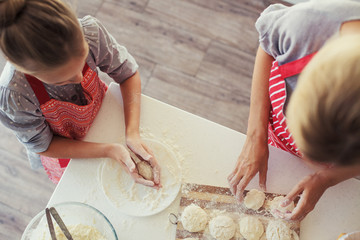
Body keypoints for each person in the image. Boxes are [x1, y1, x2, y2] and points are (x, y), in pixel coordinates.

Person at [0, 0, 161, 187]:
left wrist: (132, 133)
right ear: (27, 71)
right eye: (62, 81)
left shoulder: (91, 33)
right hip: (65, 150)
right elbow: (45, 145)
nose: (79, 79)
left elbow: (128, 74)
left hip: (103, 115)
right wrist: (108, 150)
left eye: (83, 60)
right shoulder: (15, 95)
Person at [228, 0, 360, 221]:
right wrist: (255, 135)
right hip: (274, 138)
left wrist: (327, 178)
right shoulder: (308, 25)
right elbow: (268, 43)